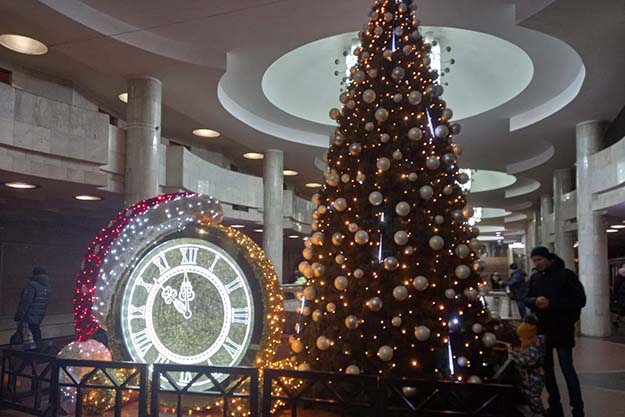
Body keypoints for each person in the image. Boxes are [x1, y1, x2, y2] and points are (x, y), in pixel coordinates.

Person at [525, 247, 586, 417]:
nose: (537, 264)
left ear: (548, 258)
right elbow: (526, 298)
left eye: (539, 260)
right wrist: (535, 301)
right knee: (547, 371)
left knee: (567, 369)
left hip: (563, 329)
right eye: (534, 260)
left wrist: (552, 303)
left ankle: (578, 409)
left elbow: (580, 300)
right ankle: (555, 407)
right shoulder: (535, 278)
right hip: (543, 331)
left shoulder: (566, 275)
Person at [509, 314, 545, 417]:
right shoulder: (529, 344)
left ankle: (539, 413)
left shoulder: (533, 347)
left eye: (521, 337)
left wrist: (514, 357)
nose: (520, 339)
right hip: (531, 376)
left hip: (535, 376)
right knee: (528, 394)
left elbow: (525, 361)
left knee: (533, 396)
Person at [14, 267, 50, 342]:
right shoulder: (45, 287)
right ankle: (38, 350)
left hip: (28, 316)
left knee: (27, 335)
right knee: (35, 332)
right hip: (38, 316)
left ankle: (31, 351)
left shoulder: (31, 286)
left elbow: (26, 302)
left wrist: (19, 315)